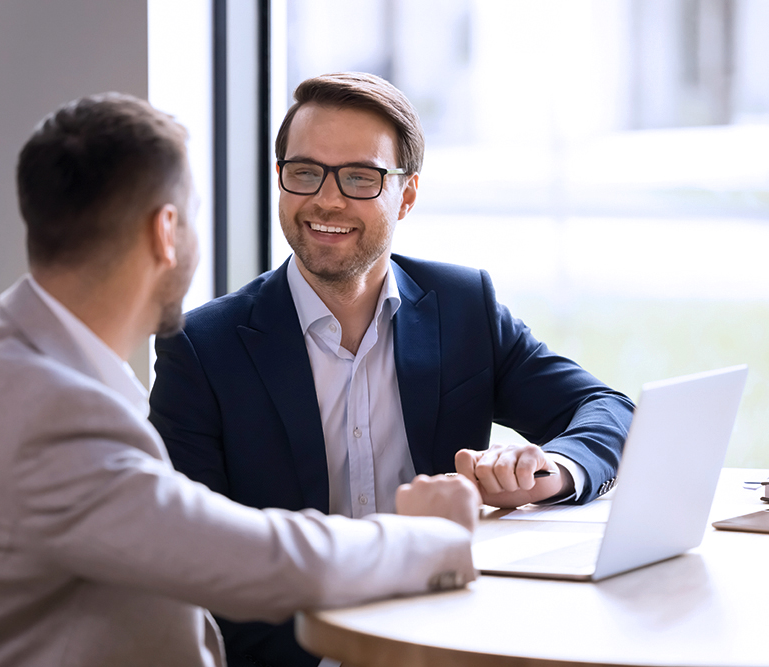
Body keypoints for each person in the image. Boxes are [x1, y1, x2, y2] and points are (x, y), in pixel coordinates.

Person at [0, 93, 481, 667]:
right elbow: (249, 560)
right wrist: (430, 535)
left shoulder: (5, 348)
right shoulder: (45, 407)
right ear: (166, 232)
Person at [149, 72, 637, 666]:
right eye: (305, 172)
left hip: (448, 640)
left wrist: (553, 471)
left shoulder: (463, 307)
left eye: (360, 177)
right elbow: (193, 557)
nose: (327, 200)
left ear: (405, 196)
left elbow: (609, 410)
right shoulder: (202, 348)